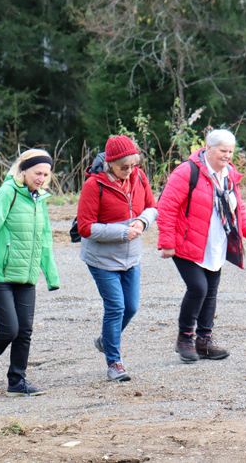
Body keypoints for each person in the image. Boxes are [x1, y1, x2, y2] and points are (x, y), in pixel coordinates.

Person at [157, 129, 246, 363]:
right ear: (209, 148)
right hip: (186, 243)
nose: (227, 156)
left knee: (210, 293)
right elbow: (166, 207)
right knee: (198, 288)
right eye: (223, 151)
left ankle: (204, 341)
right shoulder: (187, 171)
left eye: (231, 152)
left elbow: (238, 210)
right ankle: (185, 338)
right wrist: (167, 242)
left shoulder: (229, 175)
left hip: (216, 243)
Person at [0, 148, 60, 396]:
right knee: (9, 329)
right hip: (1, 275)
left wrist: (51, 276)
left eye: (46, 174)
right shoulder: (6, 193)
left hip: (26, 275)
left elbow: (45, 238)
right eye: (37, 173)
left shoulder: (39, 198)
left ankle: (17, 381)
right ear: (23, 170)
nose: (42, 178)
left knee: (24, 331)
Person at [76, 136, 157, 382]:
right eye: (124, 167)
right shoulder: (94, 185)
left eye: (133, 165)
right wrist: (122, 232)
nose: (130, 171)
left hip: (131, 257)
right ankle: (114, 363)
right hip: (101, 259)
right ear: (110, 163)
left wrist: (142, 221)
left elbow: (152, 207)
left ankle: (106, 340)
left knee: (131, 307)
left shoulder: (139, 177)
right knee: (116, 307)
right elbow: (85, 228)